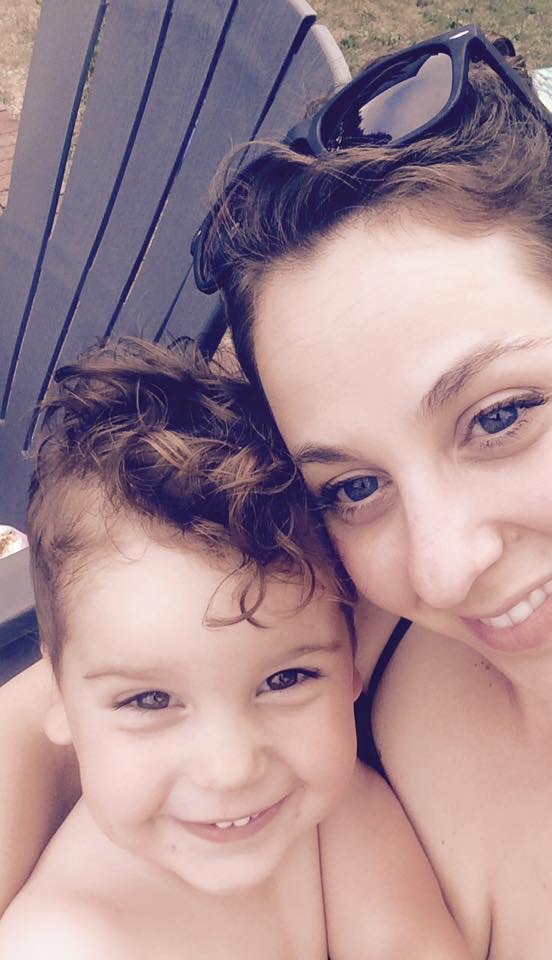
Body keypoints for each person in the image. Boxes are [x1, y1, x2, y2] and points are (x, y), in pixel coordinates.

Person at [2, 23, 552, 958]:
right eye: (353, 484)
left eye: (499, 417)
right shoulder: (355, 596)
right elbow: (67, 692)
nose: (443, 569)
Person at [0, 339, 470, 959]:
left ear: (350, 664)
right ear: (58, 695)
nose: (231, 769)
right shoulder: (67, 943)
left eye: (286, 680)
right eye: (149, 699)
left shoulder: (328, 811)